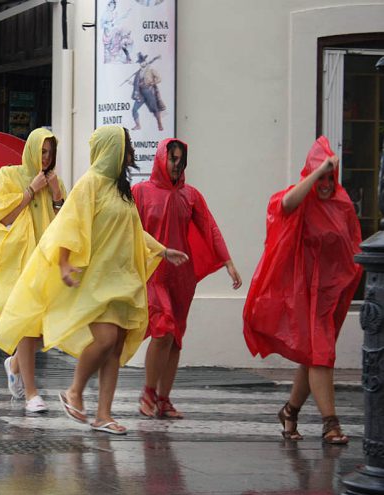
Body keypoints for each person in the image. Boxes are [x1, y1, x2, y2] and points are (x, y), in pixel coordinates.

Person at [0, 125, 188, 434]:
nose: (132, 152)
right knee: (106, 338)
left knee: (115, 348)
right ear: (113, 149)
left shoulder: (120, 190)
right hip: (98, 281)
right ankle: (74, 392)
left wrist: (162, 251)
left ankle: (103, 415)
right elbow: (69, 223)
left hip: (124, 279)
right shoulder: (91, 184)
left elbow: (134, 231)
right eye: (127, 145)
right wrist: (65, 262)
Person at [243, 136, 361, 445]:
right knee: (320, 355)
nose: (324, 184)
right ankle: (330, 424)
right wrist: (319, 168)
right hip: (303, 294)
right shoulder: (300, 199)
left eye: (329, 178)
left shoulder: (342, 203)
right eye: (319, 177)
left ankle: (289, 411)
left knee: (314, 357)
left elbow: (352, 245)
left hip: (328, 294)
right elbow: (284, 205)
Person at [132, 139, 242, 419]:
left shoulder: (190, 195)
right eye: (172, 159)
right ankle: (148, 393)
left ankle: (164, 399)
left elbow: (209, 227)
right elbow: (128, 230)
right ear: (160, 159)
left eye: (181, 160)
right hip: (153, 273)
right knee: (163, 329)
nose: (176, 165)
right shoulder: (141, 193)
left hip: (182, 277)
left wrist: (228, 261)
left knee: (175, 338)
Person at [0, 128, 66, 412]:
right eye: (42, 151)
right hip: (19, 264)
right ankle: (31, 394)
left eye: (50, 152)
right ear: (32, 150)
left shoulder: (53, 181)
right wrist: (30, 191)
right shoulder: (7, 176)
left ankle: (13, 365)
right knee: (27, 326)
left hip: (44, 260)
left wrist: (58, 197)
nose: (46, 158)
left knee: (43, 332)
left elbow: (65, 223)